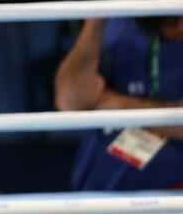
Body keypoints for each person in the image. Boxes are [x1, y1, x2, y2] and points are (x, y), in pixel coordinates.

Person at [54, 15, 183, 189]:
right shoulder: (119, 21)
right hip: (103, 197)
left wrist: (119, 106)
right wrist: (96, 19)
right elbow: (70, 102)